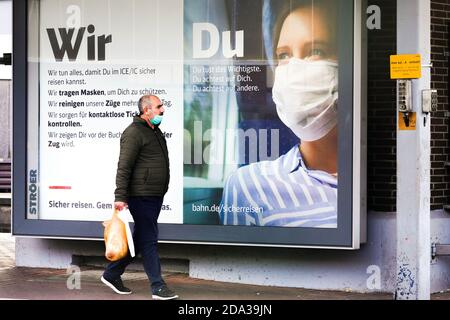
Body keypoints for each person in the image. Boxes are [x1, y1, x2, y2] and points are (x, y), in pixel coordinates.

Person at [218, 0, 339, 228]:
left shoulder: (379, 182)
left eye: (316, 51)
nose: (294, 68)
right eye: (283, 55)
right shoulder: (249, 187)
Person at [101, 95, 178, 300]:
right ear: (146, 110)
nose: (163, 110)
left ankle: (112, 273)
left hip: (153, 194)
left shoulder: (154, 131)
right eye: (159, 106)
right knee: (149, 239)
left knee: (140, 237)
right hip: (141, 194)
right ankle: (157, 286)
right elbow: (123, 166)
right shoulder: (134, 132)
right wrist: (120, 196)